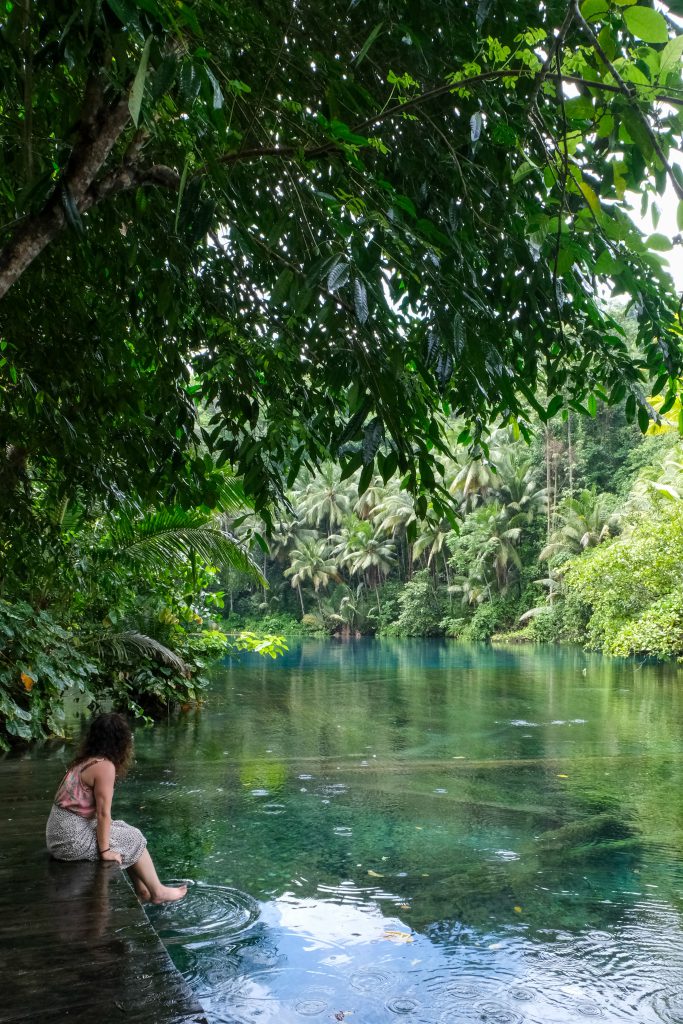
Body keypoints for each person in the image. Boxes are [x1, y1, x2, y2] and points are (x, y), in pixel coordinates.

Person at [46, 712, 187, 903]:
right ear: (120, 741)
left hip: (60, 832)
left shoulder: (86, 760)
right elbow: (103, 814)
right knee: (133, 837)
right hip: (70, 840)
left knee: (123, 829)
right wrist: (105, 852)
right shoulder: (104, 767)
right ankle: (157, 892)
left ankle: (143, 890)